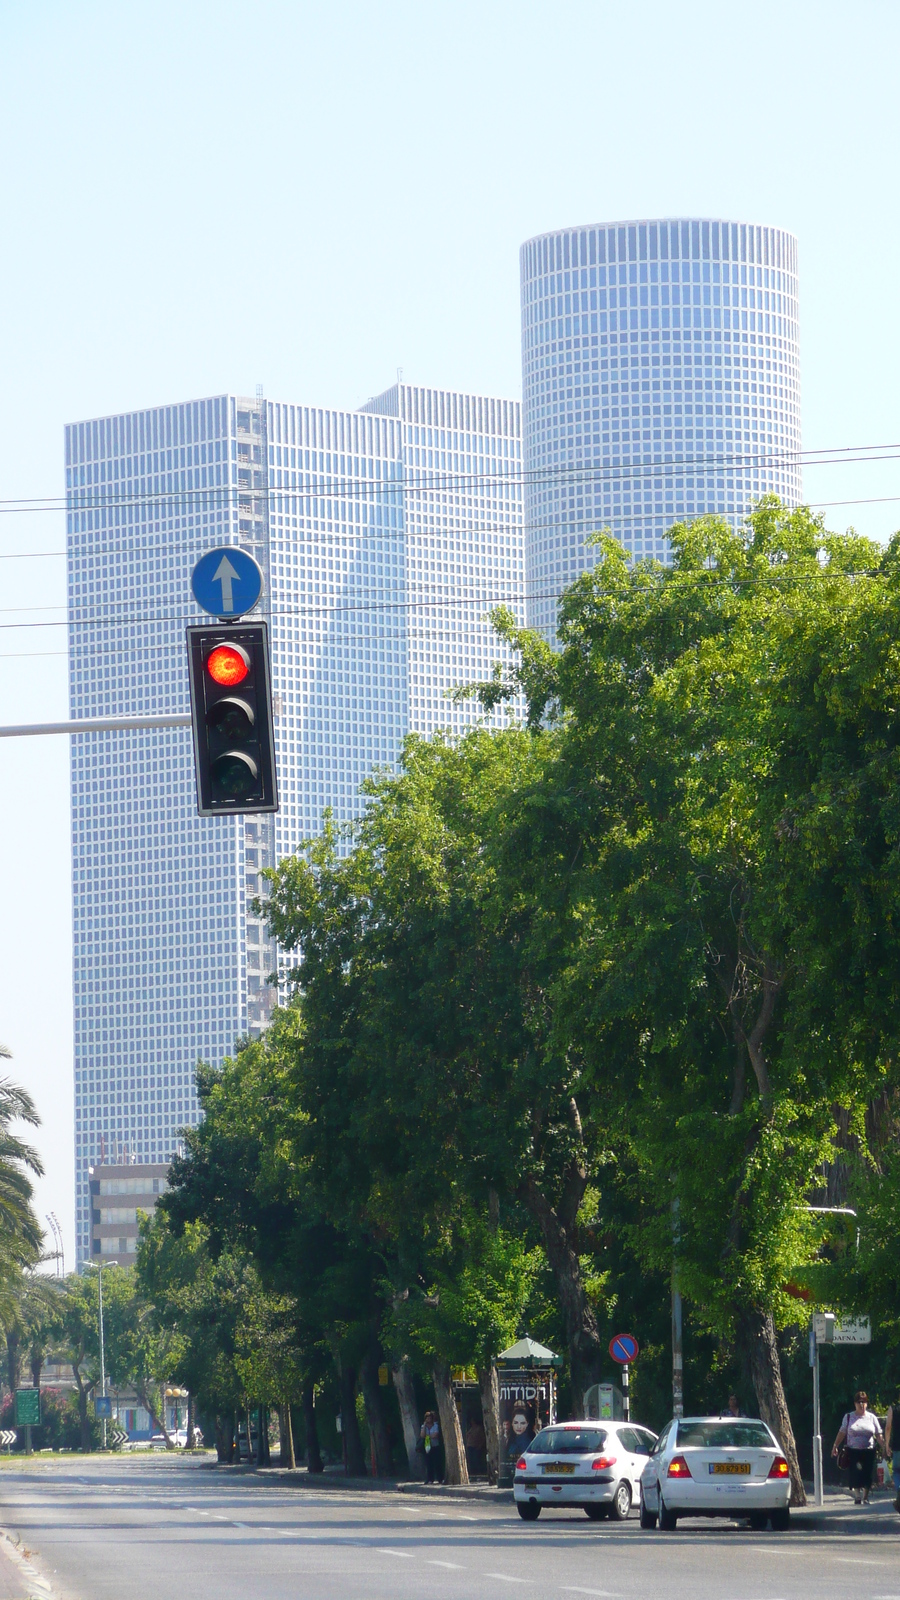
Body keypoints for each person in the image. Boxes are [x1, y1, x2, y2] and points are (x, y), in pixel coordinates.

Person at [832, 1390, 883, 1504]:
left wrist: (884, 1447)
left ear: (867, 1403)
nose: (861, 1404)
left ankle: (865, 1496)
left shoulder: (871, 1417)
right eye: (859, 1402)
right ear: (855, 1403)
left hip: (869, 1450)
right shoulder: (849, 1417)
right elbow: (842, 1432)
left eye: (864, 1402)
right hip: (853, 1450)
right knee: (855, 1473)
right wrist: (835, 1445)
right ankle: (857, 1496)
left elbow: (878, 1434)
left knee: (867, 1473)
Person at [883, 1392, 900, 1512]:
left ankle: (899, 1489)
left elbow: (888, 1427)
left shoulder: (892, 1409)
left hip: (897, 1446)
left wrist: (887, 1445)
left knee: (897, 1471)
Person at [419, 1409, 442, 1484]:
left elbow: (435, 1435)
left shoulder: (435, 1425)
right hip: (427, 1446)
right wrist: (425, 1425)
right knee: (429, 1463)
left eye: (430, 1418)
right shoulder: (423, 1426)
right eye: (427, 1418)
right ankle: (429, 1479)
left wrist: (427, 1436)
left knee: (437, 1462)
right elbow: (422, 1435)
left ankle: (440, 1478)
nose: (428, 1419)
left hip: (435, 1445)